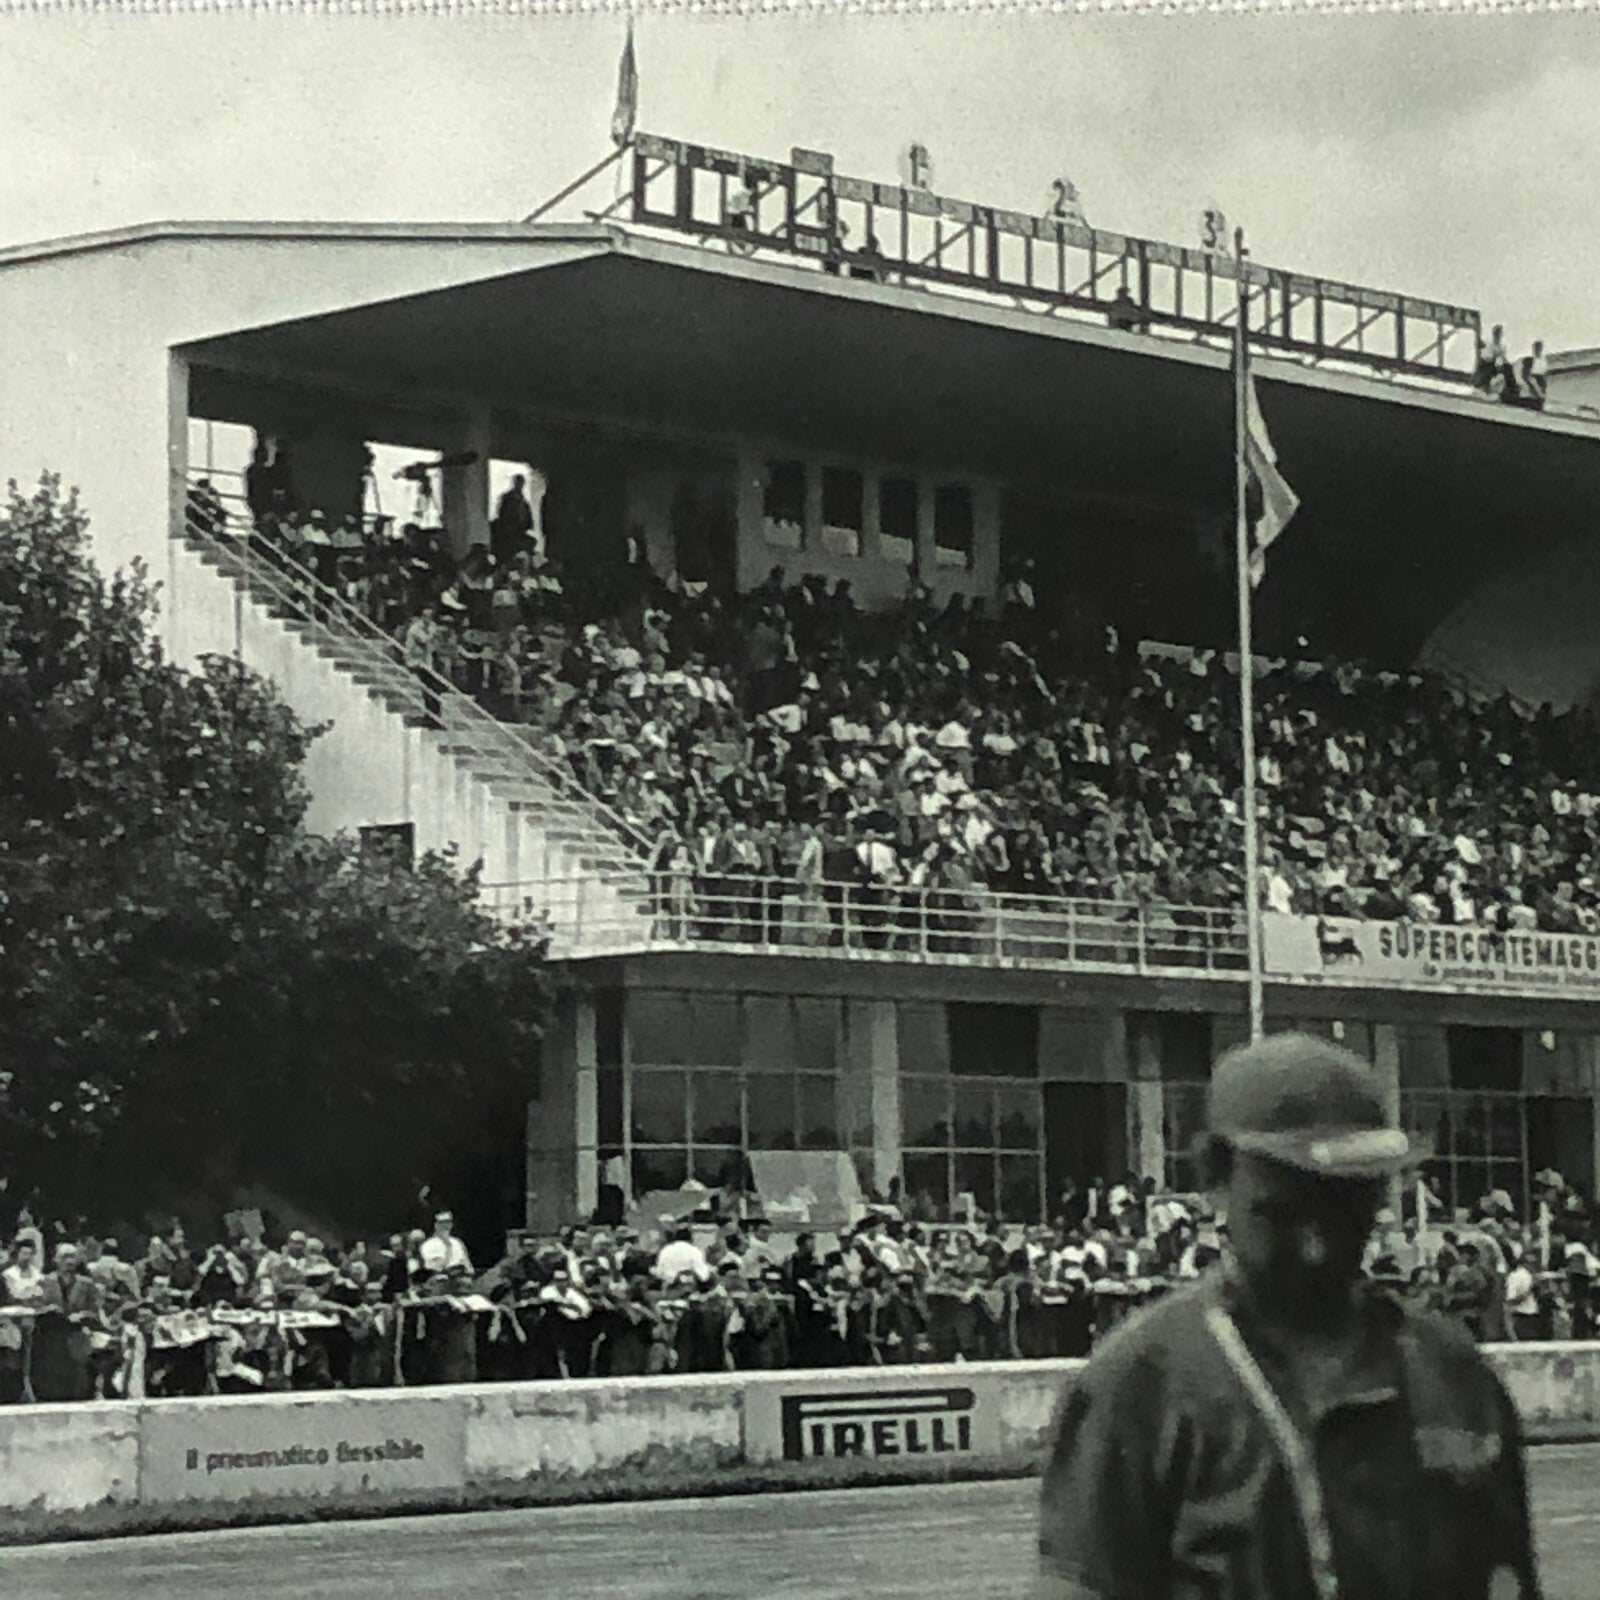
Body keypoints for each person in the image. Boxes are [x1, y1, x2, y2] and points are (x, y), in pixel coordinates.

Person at [1035, 1031, 1543, 1600]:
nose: (1317, 1249)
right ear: (1214, 1174)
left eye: (1348, 1215)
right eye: (1283, 1213)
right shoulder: (1141, 1389)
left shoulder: (1453, 1376)